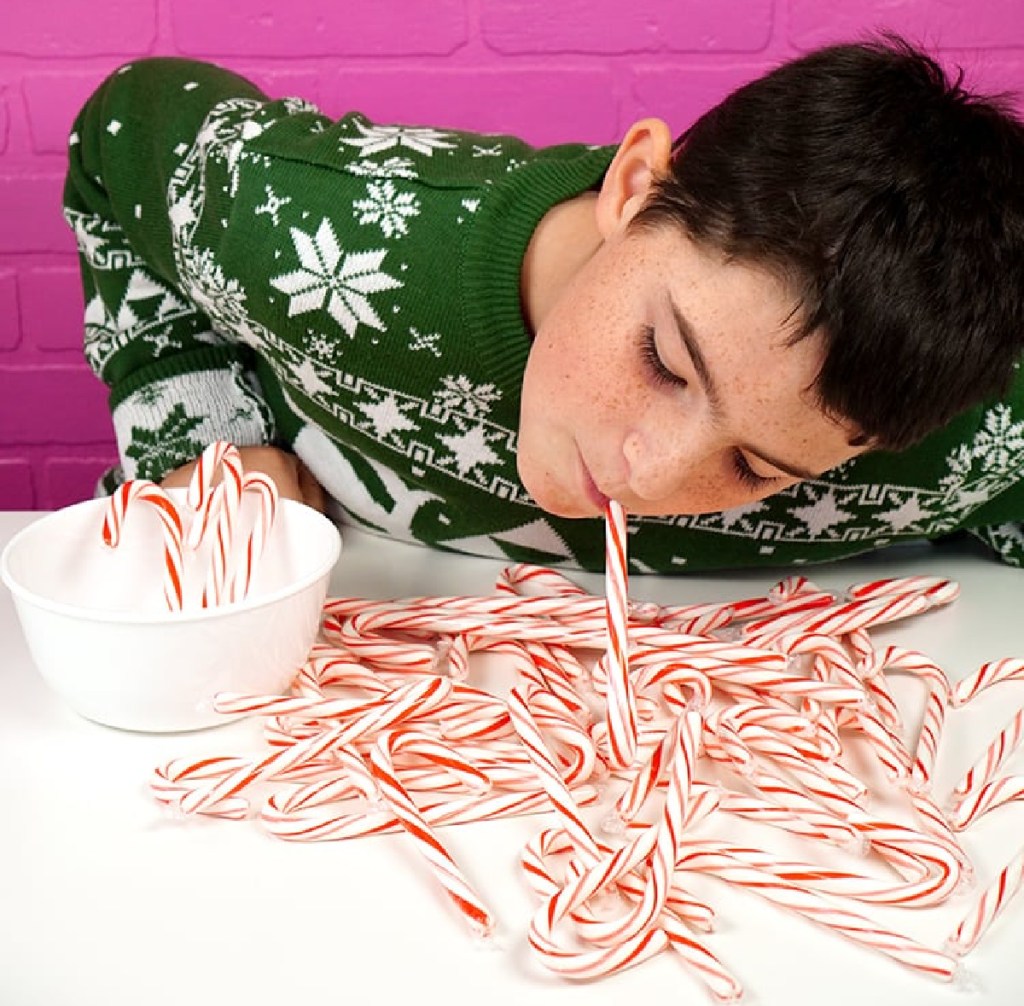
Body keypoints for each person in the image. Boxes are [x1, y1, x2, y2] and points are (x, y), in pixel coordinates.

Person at [63, 37, 1024, 573]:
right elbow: (118, 130)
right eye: (665, 361)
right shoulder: (325, 233)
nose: (646, 474)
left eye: (755, 466)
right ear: (637, 185)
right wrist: (204, 446)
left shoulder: (967, 432)